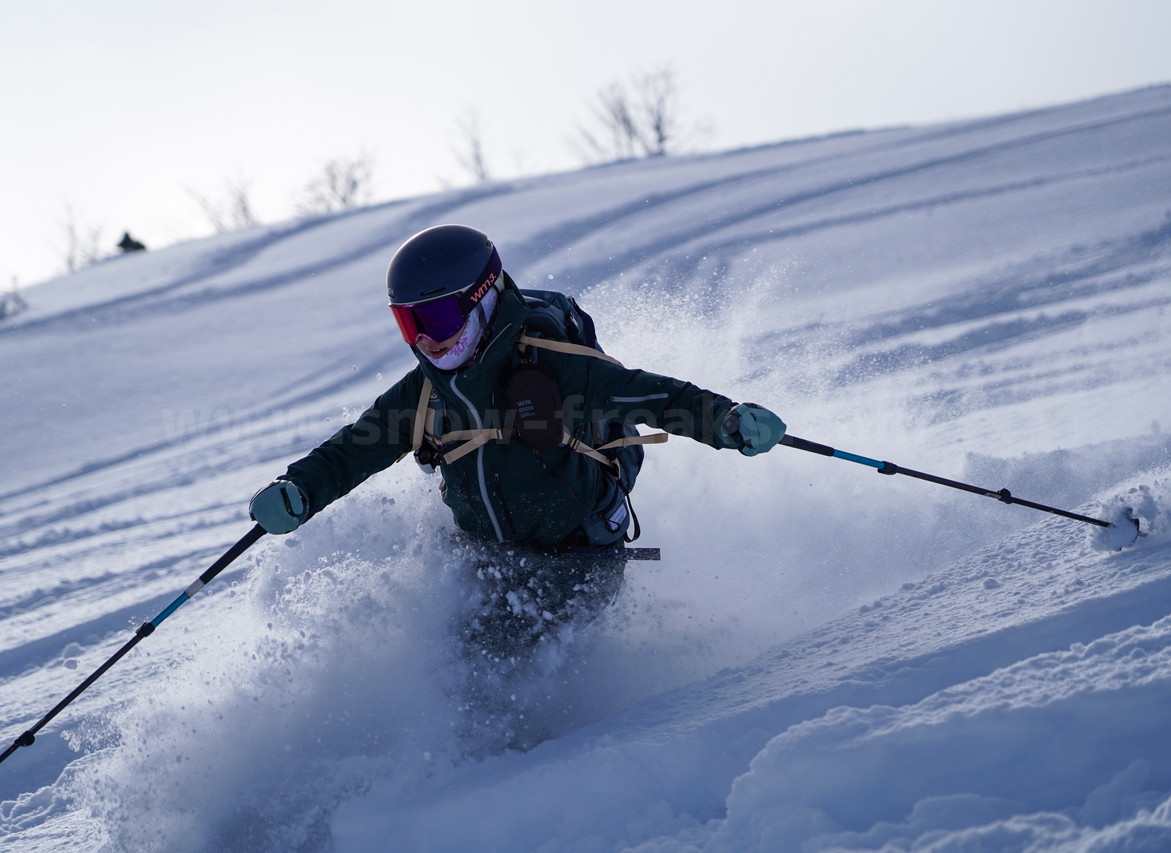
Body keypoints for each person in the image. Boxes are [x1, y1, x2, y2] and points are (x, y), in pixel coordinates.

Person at [249, 224, 786, 663]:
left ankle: (530, 769)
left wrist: (729, 422)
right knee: (451, 663)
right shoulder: (427, 390)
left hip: (577, 556)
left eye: (434, 317)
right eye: (406, 322)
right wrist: (299, 488)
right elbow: (356, 448)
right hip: (481, 555)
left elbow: (657, 398)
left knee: (506, 675)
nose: (424, 339)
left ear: (482, 298)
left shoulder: (552, 364)